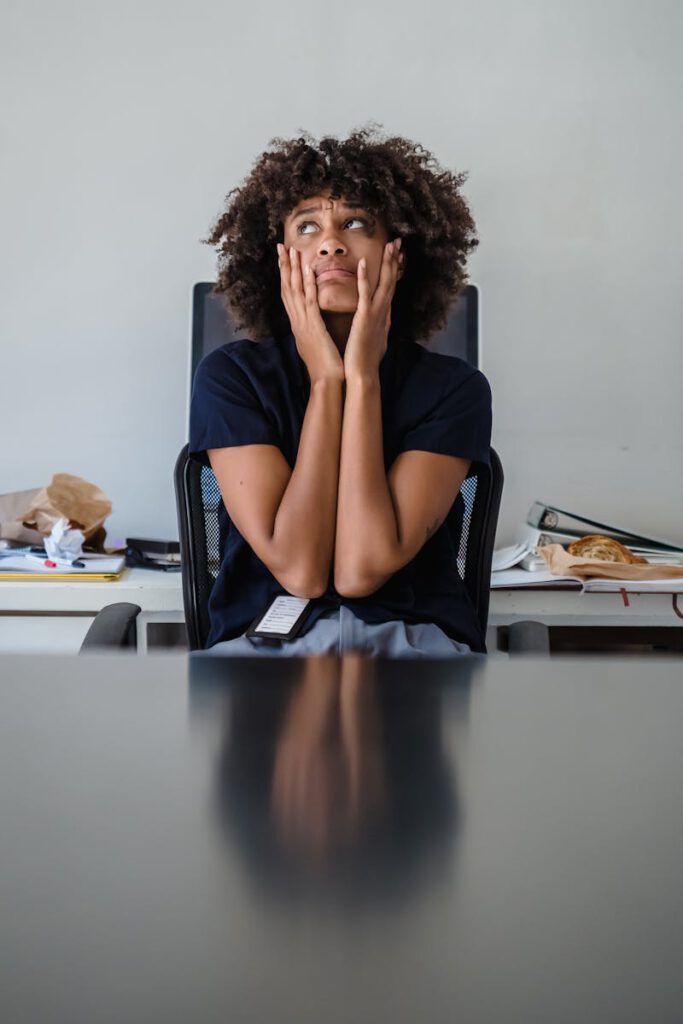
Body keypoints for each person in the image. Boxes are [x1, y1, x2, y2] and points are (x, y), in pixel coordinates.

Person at [189, 123, 492, 657]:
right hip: (264, 652)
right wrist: (329, 381)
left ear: (398, 253)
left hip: (413, 649)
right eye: (306, 226)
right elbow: (302, 572)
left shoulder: (455, 389)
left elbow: (360, 569)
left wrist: (363, 378)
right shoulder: (230, 378)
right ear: (278, 256)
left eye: (355, 222)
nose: (330, 241)